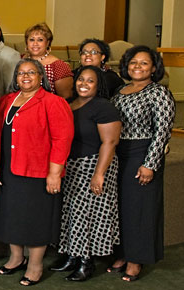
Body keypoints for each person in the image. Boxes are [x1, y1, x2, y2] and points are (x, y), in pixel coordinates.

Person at [0, 58, 73, 286]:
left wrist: (55, 173)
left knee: (36, 219)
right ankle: (16, 258)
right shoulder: (7, 100)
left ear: (41, 77)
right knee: (12, 216)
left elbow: (62, 139)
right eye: (20, 73)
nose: (25, 77)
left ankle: (35, 265)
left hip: (38, 172)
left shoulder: (53, 102)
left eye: (31, 72)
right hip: (9, 170)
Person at [108, 45, 174, 282]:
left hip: (143, 154)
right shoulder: (120, 91)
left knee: (140, 209)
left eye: (144, 63)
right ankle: (124, 253)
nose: (137, 66)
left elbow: (163, 132)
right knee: (122, 207)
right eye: (133, 62)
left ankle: (136, 260)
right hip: (119, 153)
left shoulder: (159, 93)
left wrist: (150, 164)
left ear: (154, 67)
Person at [51, 66, 121, 282]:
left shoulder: (103, 107)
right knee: (71, 213)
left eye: (90, 81)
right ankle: (72, 255)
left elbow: (110, 142)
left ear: (98, 84)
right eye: (81, 79)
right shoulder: (69, 104)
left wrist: (99, 174)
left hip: (93, 164)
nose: (84, 83)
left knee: (87, 215)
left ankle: (86, 262)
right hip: (71, 166)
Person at [23, 23, 73, 99]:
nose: (35, 44)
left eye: (40, 40)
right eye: (32, 40)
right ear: (27, 42)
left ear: (48, 43)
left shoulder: (58, 66)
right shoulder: (20, 60)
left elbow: (65, 97)